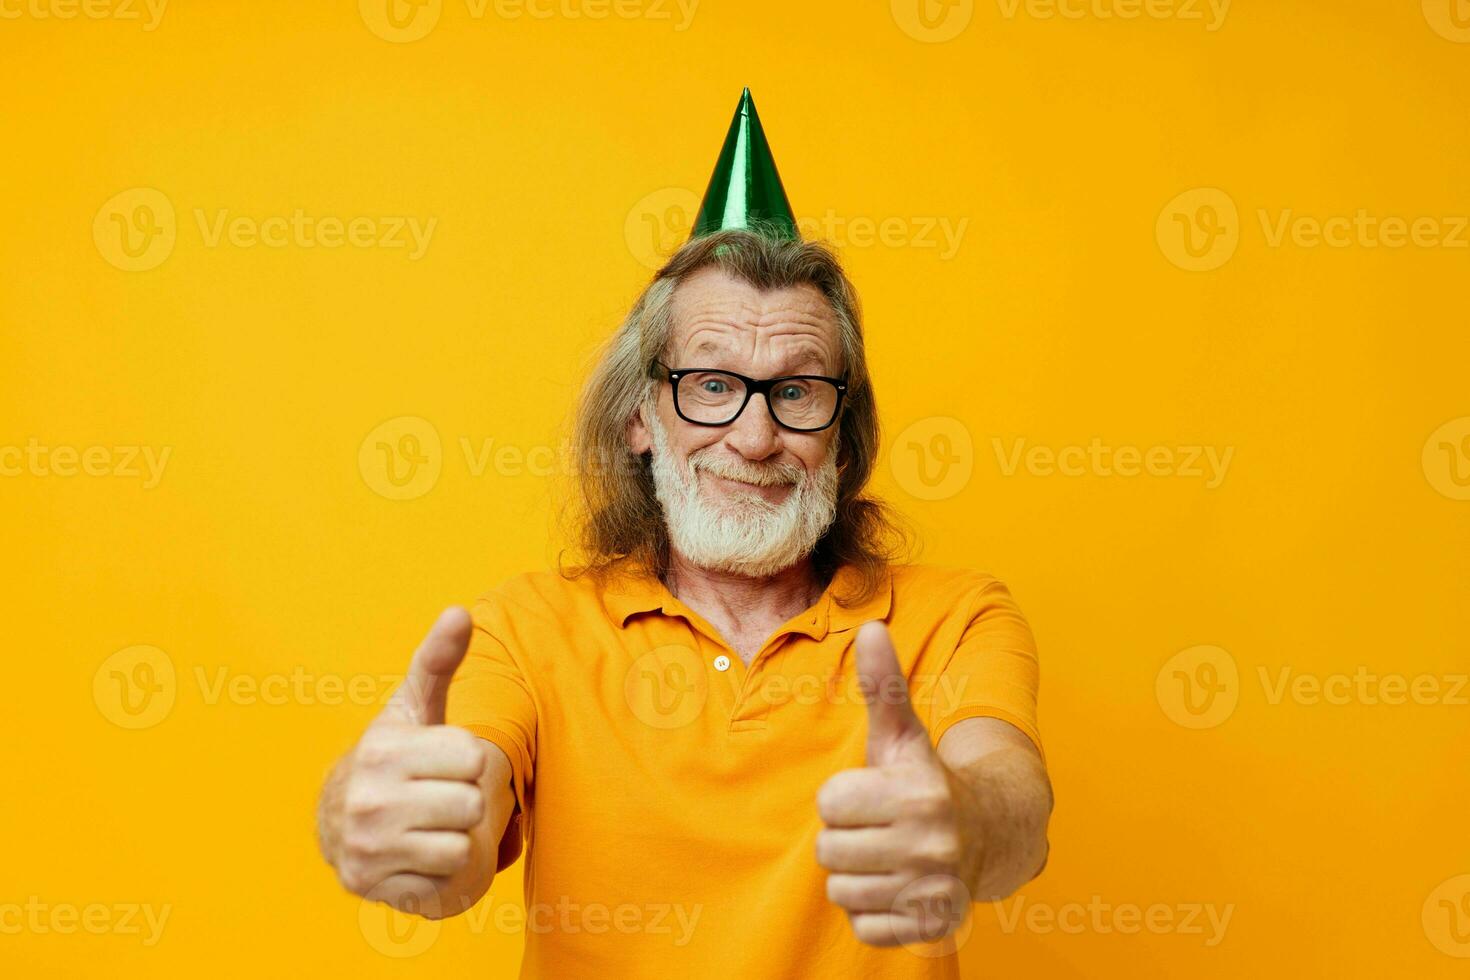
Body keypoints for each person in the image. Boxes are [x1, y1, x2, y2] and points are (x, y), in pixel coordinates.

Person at [316, 89, 1052, 978]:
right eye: (711, 383)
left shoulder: (954, 618)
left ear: (841, 430)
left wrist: (966, 828)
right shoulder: (525, 629)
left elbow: (1015, 801)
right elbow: (451, 848)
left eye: (797, 390)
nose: (753, 436)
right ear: (640, 413)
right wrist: (376, 818)